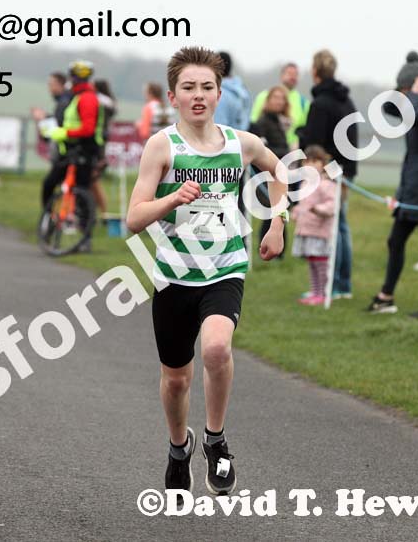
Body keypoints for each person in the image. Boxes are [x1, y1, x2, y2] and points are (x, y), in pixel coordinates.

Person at [126, 46, 287, 497]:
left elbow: (280, 173)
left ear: (219, 94)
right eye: (188, 88)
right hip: (174, 275)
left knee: (216, 350)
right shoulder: (163, 146)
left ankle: (215, 442)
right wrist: (171, 199)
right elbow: (134, 219)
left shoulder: (241, 143)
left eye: (207, 87)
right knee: (177, 379)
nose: (198, 95)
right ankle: (180, 449)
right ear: (174, 96)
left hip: (225, 267)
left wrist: (277, 222)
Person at [367, 53, 418, 321]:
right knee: (396, 241)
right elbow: (389, 108)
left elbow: (412, 115)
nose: (404, 95)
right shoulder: (414, 105)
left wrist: (414, 90)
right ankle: (386, 296)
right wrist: (403, 87)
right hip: (411, 187)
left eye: (407, 89)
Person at [298, 49, 358, 300]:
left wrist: (301, 136)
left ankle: (330, 284)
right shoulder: (347, 101)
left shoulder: (321, 104)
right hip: (346, 169)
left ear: (315, 72)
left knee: (331, 228)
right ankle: (343, 284)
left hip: (327, 171)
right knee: (341, 227)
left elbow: (314, 142)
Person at [42, 60, 105, 250]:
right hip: (71, 151)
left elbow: (87, 128)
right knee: (50, 184)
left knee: (82, 193)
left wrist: (64, 133)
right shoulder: (76, 96)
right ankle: (51, 221)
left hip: (85, 152)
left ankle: (85, 238)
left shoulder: (86, 98)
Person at [291, 146, 337, 305]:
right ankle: (315, 291)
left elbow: (333, 204)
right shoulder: (305, 183)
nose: (310, 164)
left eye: (315, 161)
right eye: (307, 161)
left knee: (320, 262)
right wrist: (296, 212)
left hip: (319, 229)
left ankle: (323, 293)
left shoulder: (326, 184)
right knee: (311, 262)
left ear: (323, 163)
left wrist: (319, 210)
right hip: (307, 229)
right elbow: (302, 203)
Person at [249, 86, 290, 256]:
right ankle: (267, 250)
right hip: (266, 176)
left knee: (278, 213)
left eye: (282, 98)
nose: (278, 101)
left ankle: (278, 252)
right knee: (270, 214)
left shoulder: (280, 122)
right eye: (275, 97)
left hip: (280, 173)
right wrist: (286, 153)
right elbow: (263, 152)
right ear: (268, 101)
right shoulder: (262, 123)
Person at [32, 72, 73, 208]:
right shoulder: (65, 100)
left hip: (66, 152)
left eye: (52, 84)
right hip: (69, 151)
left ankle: (48, 218)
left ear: (61, 85)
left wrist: (43, 119)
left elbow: (55, 130)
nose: (49, 88)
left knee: (49, 184)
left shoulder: (64, 102)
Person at [250, 63, 310, 147]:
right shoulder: (263, 95)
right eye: (289, 73)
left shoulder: (304, 102)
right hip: (268, 149)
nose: (293, 77)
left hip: (293, 152)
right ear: (281, 75)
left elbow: (305, 129)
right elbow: (254, 122)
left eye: (295, 74)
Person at [92, 79, 116, 213]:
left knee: (93, 181)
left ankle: (102, 211)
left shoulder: (99, 100)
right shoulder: (109, 101)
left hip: (97, 141)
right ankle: (98, 210)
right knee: (94, 181)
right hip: (103, 140)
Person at [213, 51, 251, 131]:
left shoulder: (220, 94)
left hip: (227, 140)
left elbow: (219, 126)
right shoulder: (242, 90)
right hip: (242, 138)